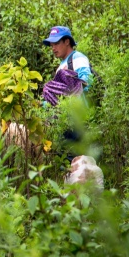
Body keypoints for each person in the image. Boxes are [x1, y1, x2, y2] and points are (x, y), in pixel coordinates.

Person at [42, 26, 91, 160]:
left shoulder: (77, 58)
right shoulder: (62, 65)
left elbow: (86, 82)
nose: (53, 48)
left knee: (76, 159)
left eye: (56, 43)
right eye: (51, 45)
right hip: (64, 120)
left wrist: (69, 95)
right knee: (65, 159)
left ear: (67, 42)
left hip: (76, 118)